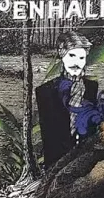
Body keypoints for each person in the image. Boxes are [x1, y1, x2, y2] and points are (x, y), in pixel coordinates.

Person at [35, 30, 99, 170]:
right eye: (72, 56)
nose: (76, 62)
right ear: (61, 53)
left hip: (85, 160)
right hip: (56, 163)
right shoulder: (45, 91)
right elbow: (49, 135)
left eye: (81, 58)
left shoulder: (91, 87)